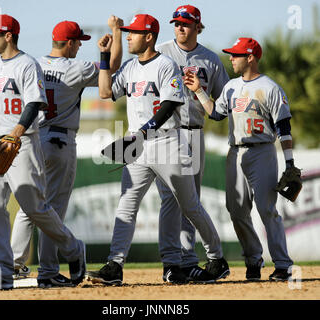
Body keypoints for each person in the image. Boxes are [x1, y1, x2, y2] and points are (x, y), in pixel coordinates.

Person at [87, 13, 226, 285]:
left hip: (166, 142)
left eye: (133, 32)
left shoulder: (166, 65)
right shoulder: (128, 67)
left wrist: (142, 133)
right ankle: (114, 265)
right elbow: (104, 92)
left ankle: (216, 256)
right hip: (137, 143)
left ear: (148, 36)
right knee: (126, 204)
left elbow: (170, 105)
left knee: (189, 206)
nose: (128, 36)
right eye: (127, 32)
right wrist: (104, 57)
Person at [0, 14, 86, 290]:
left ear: (8, 36)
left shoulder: (27, 65)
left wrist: (17, 132)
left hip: (21, 143)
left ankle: (73, 249)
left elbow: (35, 103)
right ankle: (2, 273)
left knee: (35, 208)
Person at [10, 18, 123, 288]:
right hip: (61, 141)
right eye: (77, 43)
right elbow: (113, 67)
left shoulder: (32, 64)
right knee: (53, 210)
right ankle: (49, 269)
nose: (78, 48)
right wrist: (116, 33)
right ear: (69, 43)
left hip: (32, 139)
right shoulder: (76, 68)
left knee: (30, 207)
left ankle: (13, 264)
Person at [184, 37, 295, 281]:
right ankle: (253, 260)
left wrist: (289, 162)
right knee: (236, 210)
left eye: (236, 54)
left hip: (262, 150)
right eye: (231, 54)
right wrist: (199, 91)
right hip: (235, 151)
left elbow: (284, 127)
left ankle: (283, 264)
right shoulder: (231, 86)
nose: (231, 58)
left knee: (267, 209)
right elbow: (215, 114)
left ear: (251, 57)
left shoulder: (270, 87)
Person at [155, 4, 230, 282]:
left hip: (196, 132)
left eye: (186, 23)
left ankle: (187, 261)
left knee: (190, 202)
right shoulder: (160, 52)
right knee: (169, 200)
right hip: (166, 134)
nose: (180, 27)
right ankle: (172, 262)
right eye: (176, 23)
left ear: (198, 26)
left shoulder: (210, 59)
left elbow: (223, 104)